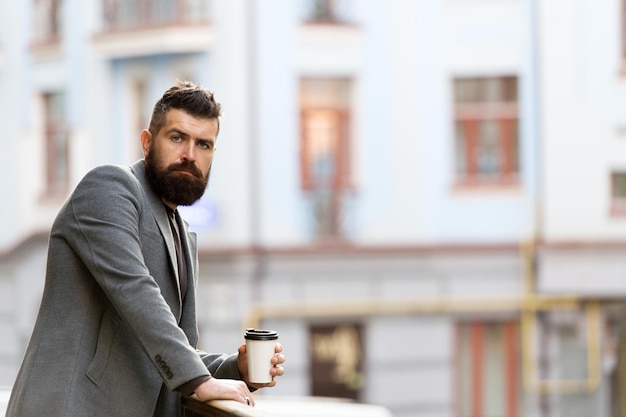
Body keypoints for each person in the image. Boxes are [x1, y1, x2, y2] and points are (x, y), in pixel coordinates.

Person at [6, 80, 285, 417]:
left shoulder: (180, 231)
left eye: (204, 144)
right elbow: (135, 290)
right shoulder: (109, 187)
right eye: (177, 137)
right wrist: (198, 380)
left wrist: (234, 368)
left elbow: (157, 349)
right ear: (147, 142)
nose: (190, 155)